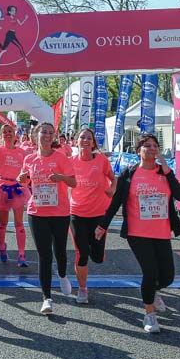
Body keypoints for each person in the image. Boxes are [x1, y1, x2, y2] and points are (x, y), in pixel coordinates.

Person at [97, 133, 180, 334]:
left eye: (155, 145)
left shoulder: (164, 173)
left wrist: (168, 171)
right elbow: (116, 202)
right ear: (139, 151)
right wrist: (103, 225)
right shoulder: (130, 173)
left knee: (167, 276)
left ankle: (153, 291)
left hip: (161, 231)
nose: (152, 149)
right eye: (147, 146)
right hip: (137, 231)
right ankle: (149, 314)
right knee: (150, 272)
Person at [19, 122, 76, 315]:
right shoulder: (29, 158)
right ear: (36, 134)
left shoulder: (61, 157)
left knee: (59, 251)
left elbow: (74, 182)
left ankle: (62, 274)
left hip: (60, 212)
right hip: (37, 212)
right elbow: (25, 180)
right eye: (44, 132)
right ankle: (47, 298)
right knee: (44, 255)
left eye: (51, 133)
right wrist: (22, 179)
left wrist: (61, 178)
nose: (47, 135)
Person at [69, 127, 116, 304]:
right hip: (76, 213)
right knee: (81, 253)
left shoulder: (102, 160)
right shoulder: (70, 162)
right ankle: (82, 289)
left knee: (97, 257)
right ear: (76, 141)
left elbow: (114, 178)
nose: (85, 140)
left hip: (98, 214)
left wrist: (112, 189)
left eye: (89, 138)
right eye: (82, 137)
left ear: (93, 143)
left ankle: (97, 252)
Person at [0, 123, 30, 266]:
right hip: (2, 189)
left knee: (19, 223)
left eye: (10, 131)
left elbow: (28, 170)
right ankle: (2, 246)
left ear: (15, 134)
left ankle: (21, 255)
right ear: (1, 135)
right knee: (3, 222)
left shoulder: (22, 152)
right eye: (5, 132)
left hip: (18, 188)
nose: (8, 134)